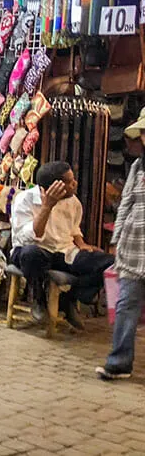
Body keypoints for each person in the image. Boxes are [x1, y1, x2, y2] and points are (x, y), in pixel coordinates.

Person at [10, 161, 114, 329]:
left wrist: (82, 244)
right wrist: (47, 206)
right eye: (69, 181)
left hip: (63, 252)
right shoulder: (24, 199)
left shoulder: (73, 202)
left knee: (109, 262)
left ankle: (69, 299)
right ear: (54, 186)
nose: (75, 184)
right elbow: (29, 237)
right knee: (31, 255)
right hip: (34, 250)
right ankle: (39, 299)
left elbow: (73, 229)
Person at [97, 114, 145, 380]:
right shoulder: (138, 167)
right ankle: (119, 362)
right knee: (126, 305)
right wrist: (116, 242)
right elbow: (126, 204)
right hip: (133, 249)